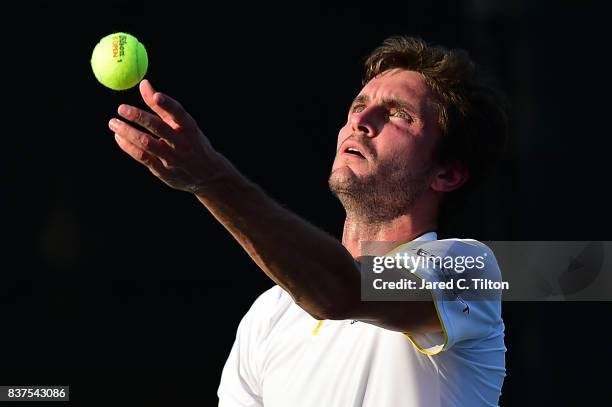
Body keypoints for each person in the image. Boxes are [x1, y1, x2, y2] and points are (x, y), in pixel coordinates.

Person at [108, 36, 509, 406]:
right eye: (357, 105)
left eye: (399, 115)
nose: (361, 120)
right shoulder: (270, 314)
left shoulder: (468, 271)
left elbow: (344, 293)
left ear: (447, 174)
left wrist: (211, 179)